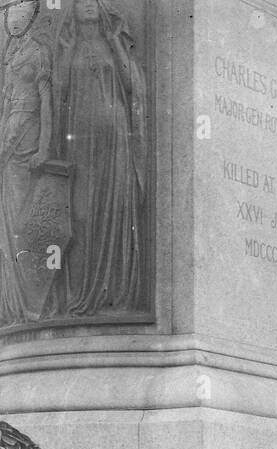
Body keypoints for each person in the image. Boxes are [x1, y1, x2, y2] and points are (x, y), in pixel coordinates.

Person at [54, 0, 148, 318]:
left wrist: (114, 42)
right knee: (80, 213)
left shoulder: (112, 44)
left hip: (114, 137)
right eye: (81, 2)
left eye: (94, 2)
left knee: (113, 208)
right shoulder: (72, 47)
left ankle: (113, 289)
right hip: (80, 141)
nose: (88, 6)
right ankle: (81, 294)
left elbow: (131, 85)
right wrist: (66, 51)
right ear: (74, 11)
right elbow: (61, 90)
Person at [0, 0, 53, 326]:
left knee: (23, 224)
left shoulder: (39, 53)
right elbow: (5, 106)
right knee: (7, 226)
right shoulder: (9, 57)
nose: (11, 20)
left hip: (29, 140)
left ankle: (32, 302)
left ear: (31, 17)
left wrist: (45, 146)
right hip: (8, 142)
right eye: (8, 15)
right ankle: (13, 304)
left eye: (18, 14)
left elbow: (47, 103)